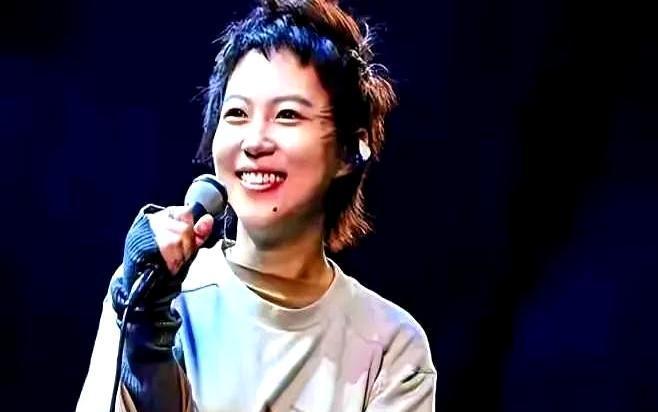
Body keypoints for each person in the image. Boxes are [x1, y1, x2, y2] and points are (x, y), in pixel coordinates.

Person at [77, 0, 437, 410]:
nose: (254, 142)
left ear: (348, 150)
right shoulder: (150, 293)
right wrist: (145, 339)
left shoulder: (391, 347)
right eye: (236, 113)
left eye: (287, 115)